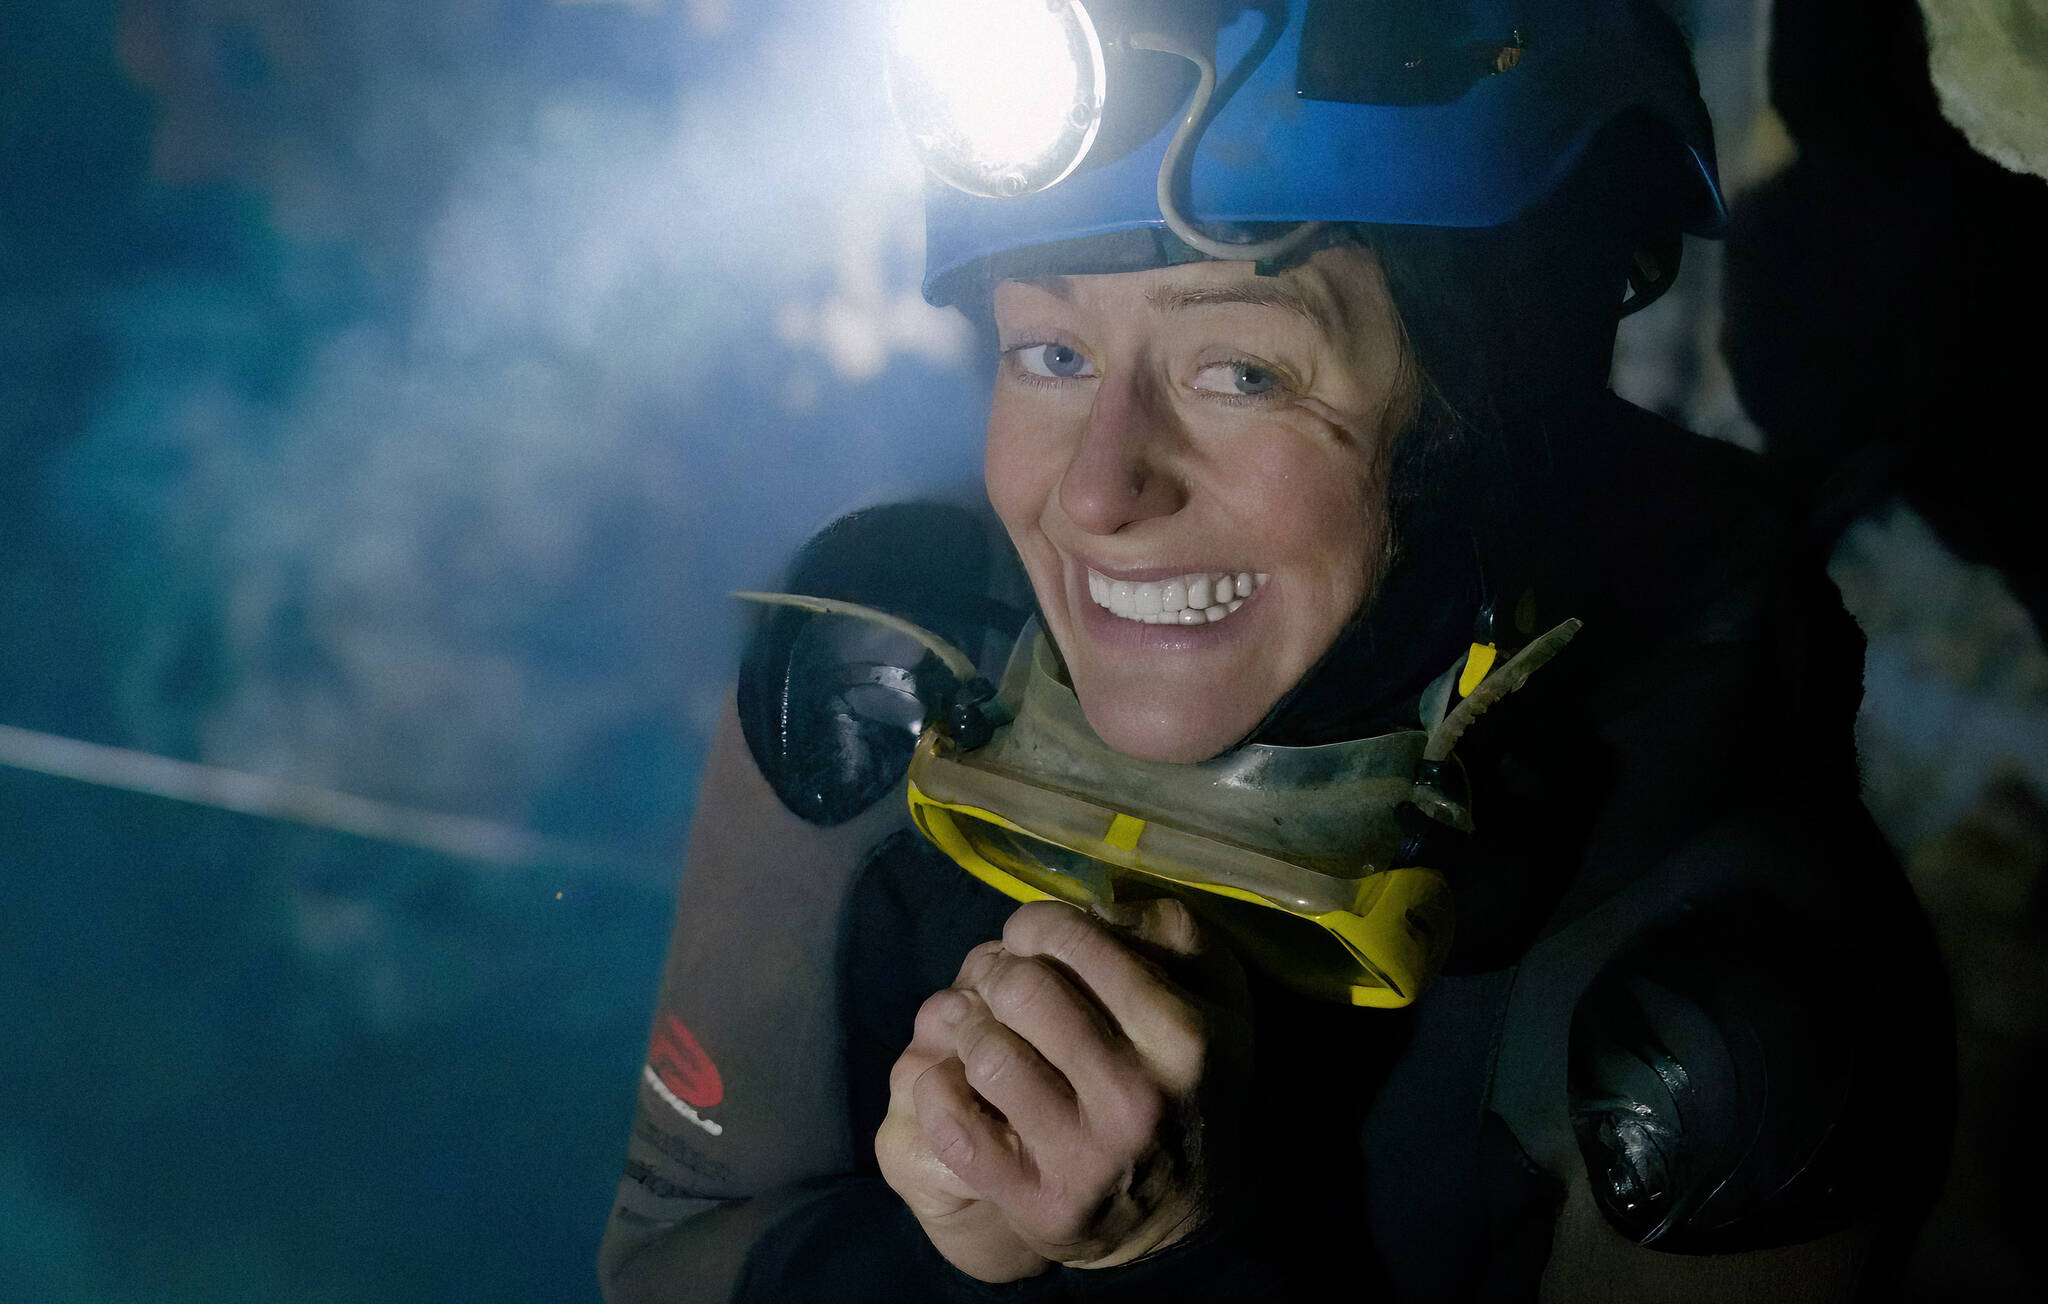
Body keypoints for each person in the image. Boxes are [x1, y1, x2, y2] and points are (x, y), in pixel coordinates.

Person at [598, 3, 1952, 1299]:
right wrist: (954, 1268)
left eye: (1244, 373)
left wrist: (1174, 1262)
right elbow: (671, 1259)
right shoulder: (875, 690)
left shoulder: (1724, 1031)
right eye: (1053, 351)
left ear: (1500, 420)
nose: (1095, 496)